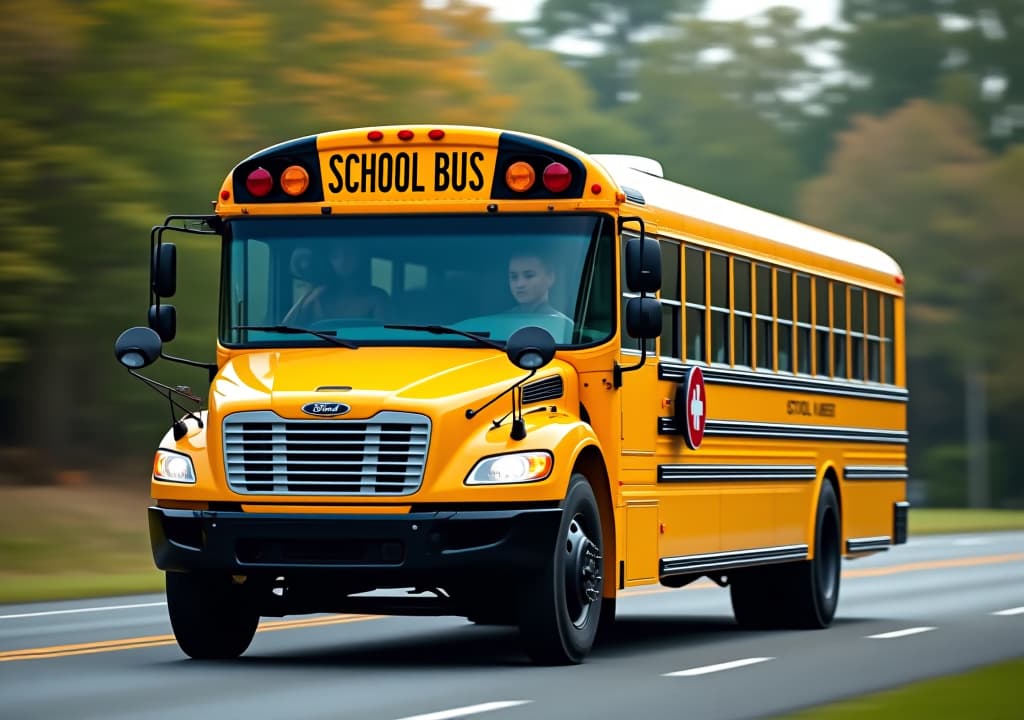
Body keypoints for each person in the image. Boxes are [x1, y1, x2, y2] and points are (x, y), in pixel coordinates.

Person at [283, 243, 388, 325]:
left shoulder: (377, 297)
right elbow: (285, 329)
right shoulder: (317, 297)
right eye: (335, 256)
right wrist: (310, 295)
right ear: (328, 261)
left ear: (360, 259)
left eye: (349, 254)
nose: (343, 261)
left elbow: (386, 338)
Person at [506, 252, 570, 320]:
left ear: (550, 277)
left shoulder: (562, 324)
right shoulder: (501, 321)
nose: (520, 284)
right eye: (514, 277)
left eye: (529, 276)